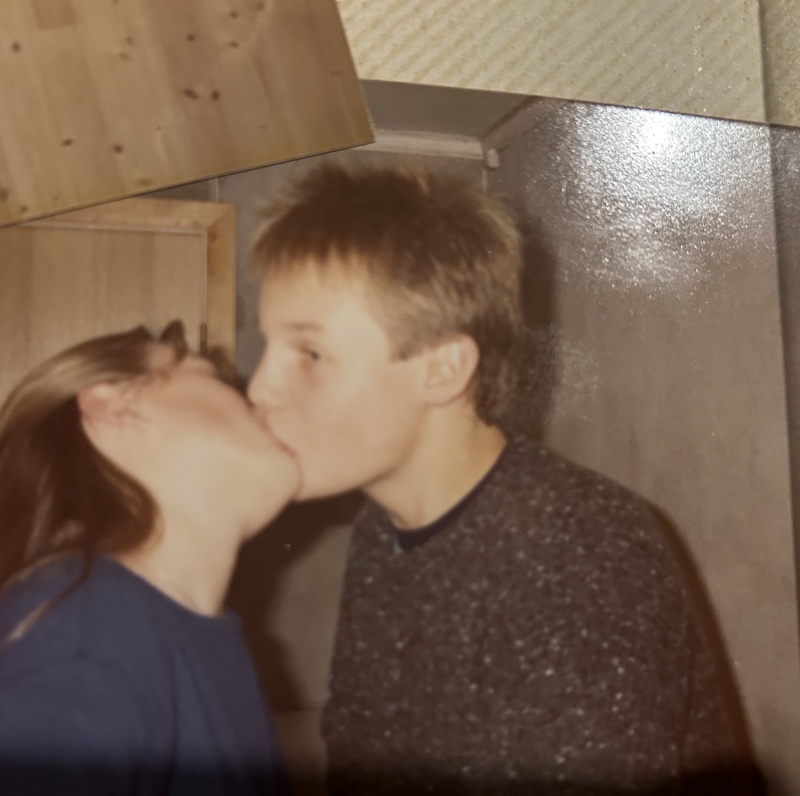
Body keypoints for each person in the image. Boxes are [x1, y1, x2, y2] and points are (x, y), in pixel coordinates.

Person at [246, 163, 763, 795]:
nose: (261, 388)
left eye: (310, 353)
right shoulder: (382, 528)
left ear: (442, 370)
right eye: (268, 346)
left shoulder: (581, 558)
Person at [0, 322, 300, 795]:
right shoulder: (81, 639)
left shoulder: (157, 627)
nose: (258, 396)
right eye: (211, 377)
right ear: (113, 405)